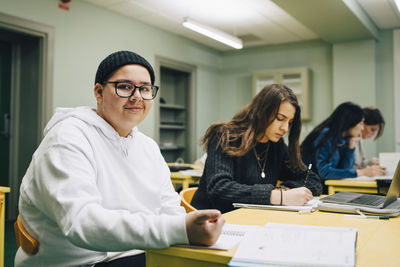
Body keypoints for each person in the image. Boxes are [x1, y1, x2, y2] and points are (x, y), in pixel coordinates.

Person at [15, 51, 224, 267]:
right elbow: (82, 223)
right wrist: (179, 229)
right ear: (99, 92)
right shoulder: (67, 138)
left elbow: (169, 207)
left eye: (144, 88)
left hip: (141, 254)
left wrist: (187, 227)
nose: (137, 96)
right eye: (124, 86)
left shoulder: (148, 147)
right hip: (83, 263)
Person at [191, 84, 322, 214]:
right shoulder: (224, 136)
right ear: (262, 112)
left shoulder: (276, 145)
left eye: (289, 122)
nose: (285, 128)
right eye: (280, 119)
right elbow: (219, 187)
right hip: (212, 221)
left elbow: (312, 180)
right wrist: (278, 196)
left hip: (251, 218)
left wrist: (285, 190)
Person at [301, 102, 386, 181]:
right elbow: (324, 172)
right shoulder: (326, 134)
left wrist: (351, 146)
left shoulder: (344, 139)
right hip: (310, 184)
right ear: (350, 123)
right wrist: (361, 173)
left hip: (326, 184)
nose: (362, 128)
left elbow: (345, 169)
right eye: (360, 124)